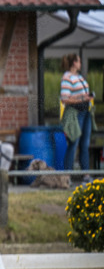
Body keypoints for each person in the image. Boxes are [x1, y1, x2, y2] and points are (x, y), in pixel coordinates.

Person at [60, 53, 94, 183]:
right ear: (74, 63)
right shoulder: (67, 77)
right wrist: (82, 98)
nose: (80, 64)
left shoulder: (79, 77)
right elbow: (65, 99)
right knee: (73, 143)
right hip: (75, 114)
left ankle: (86, 174)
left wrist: (87, 98)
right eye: (79, 61)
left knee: (85, 144)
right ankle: (67, 176)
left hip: (86, 112)